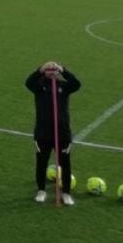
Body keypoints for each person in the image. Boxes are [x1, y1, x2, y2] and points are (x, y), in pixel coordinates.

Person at [25, 61, 81, 205]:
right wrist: (40, 69)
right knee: (41, 162)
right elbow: (28, 82)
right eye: (48, 70)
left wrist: (63, 70)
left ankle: (66, 193)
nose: (51, 72)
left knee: (65, 163)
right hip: (43, 133)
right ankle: (41, 190)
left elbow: (76, 84)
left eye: (53, 69)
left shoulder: (64, 86)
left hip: (62, 133)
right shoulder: (39, 87)